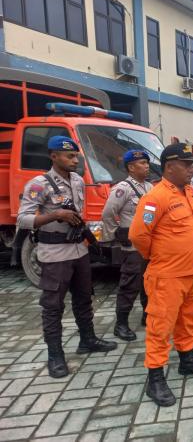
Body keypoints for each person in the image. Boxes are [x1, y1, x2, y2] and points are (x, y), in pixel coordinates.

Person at [17, 136, 117, 379]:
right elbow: (23, 219)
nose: (75, 160)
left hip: (78, 251)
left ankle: (88, 339)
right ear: (54, 156)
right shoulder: (39, 184)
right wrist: (55, 215)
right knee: (53, 307)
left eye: (76, 156)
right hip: (54, 254)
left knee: (84, 299)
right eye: (69, 156)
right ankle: (55, 355)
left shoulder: (78, 181)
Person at [129, 143, 193, 407]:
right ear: (169, 166)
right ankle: (155, 377)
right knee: (160, 326)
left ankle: (187, 359)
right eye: (186, 164)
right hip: (167, 275)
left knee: (188, 320)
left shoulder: (190, 192)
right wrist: (161, 257)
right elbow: (138, 235)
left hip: (192, 272)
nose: (192, 169)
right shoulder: (155, 197)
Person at [102, 150, 153, 340]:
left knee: (149, 283)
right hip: (132, 247)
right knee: (130, 285)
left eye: (147, 163)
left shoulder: (149, 187)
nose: (146, 166)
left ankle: (147, 315)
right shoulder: (122, 189)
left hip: (149, 245)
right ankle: (121, 324)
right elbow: (108, 213)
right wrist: (117, 233)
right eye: (142, 163)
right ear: (131, 167)